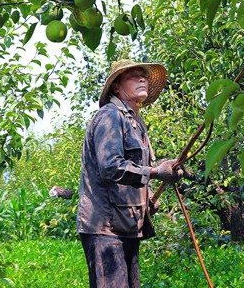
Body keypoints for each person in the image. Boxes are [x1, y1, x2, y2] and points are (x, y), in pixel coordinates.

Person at [76, 59, 183, 288]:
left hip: (127, 226)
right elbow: (110, 167)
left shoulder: (135, 122)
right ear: (116, 86)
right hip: (105, 229)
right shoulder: (110, 116)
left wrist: (148, 198)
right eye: (134, 76)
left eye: (143, 75)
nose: (142, 78)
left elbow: (134, 170)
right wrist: (156, 172)